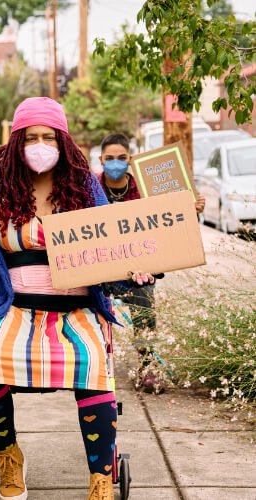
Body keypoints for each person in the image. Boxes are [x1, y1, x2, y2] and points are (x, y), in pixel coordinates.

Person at [0, 98, 157, 500]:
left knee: (93, 362)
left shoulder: (84, 185)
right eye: (30, 138)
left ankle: (100, 476)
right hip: (12, 308)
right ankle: (9, 456)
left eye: (48, 137)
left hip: (75, 310)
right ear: (15, 143)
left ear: (62, 141)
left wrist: (134, 268)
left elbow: (115, 244)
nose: (40, 145)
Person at [96, 133, 205, 392]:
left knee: (143, 293)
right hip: (99, 269)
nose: (115, 163)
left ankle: (147, 364)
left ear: (130, 159)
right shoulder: (90, 189)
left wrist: (191, 211)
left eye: (121, 158)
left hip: (136, 270)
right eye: (109, 159)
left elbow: (171, 227)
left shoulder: (146, 191)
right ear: (101, 160)